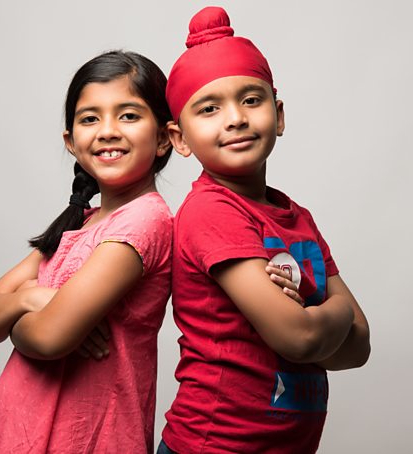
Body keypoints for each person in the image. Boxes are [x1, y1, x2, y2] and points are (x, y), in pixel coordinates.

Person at [157, 7, 370, 454]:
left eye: (251, 100)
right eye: (209, 108)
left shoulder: (298, 217)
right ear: (179, 139)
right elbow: (302, 338)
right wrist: (336, 313)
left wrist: (314, 324)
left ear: (279, 113)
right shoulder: (211, 210)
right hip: (213, 446)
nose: (234, 118)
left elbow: (357, 350)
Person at [0, 50, 173, 453]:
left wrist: (30, 312)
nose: (108, 130)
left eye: (129, 115)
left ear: (165, 136)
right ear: (71, 141)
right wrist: (34, 297)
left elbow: (48, 338)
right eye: (89, 118)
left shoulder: (145, 221)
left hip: (86, 437)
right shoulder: (79, 222)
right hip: (19, 429)